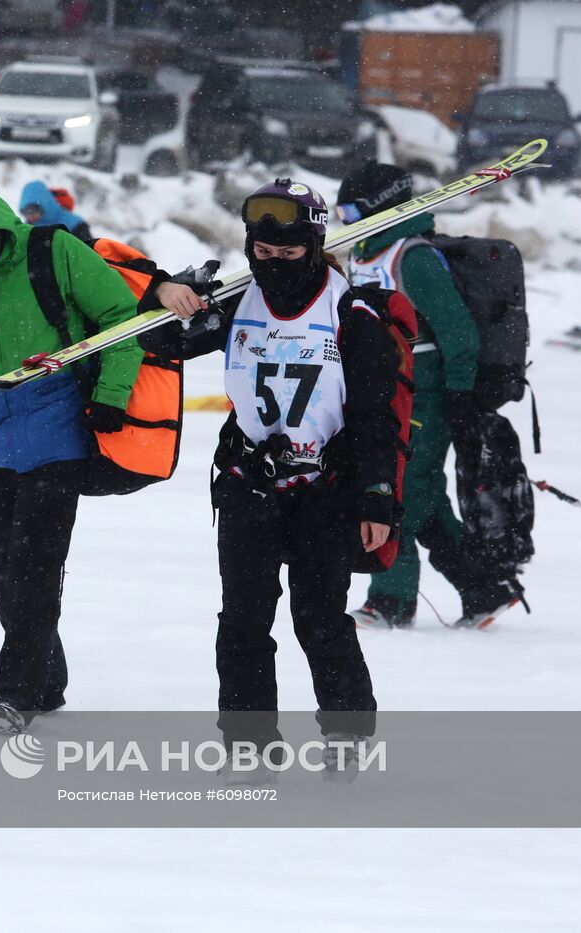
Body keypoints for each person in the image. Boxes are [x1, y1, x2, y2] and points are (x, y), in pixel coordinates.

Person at [140, 178, 399, 776]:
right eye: (262, 252)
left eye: (287, 254)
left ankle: (346, 741)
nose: (273, 264)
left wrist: (378, 499)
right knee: (243, 623)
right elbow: (165, 345)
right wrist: (168, 294)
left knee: (320, 621)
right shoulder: (235, 303)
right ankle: (250, 747)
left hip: (326, 491)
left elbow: (375, 419)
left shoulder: (352, 314)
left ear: (313, 246)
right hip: (249, 484)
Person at [0, 167, 146, 734]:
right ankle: (47, 678)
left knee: (35, 567)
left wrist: (111, 396)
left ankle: (15, 692)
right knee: (5, 570)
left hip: (59, 428)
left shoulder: (54, 249)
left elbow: (121, 318)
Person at [336, 162, 523, 629]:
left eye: (354, 209)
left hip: (425, 394)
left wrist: (459, 394)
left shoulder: (411, 258)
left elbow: (458, 333)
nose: (348, 220)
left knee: (399, 492)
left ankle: (390, 601)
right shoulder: (364, 254)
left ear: (381, 207)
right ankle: (484, 589)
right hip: (383, 390)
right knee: (423, 496)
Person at [17, 180, 92, 240]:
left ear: (45, 205)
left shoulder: (76, 225)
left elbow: (89, 253)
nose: (30, 217)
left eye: (33, 211)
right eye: (26, 212)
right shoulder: (27, 228)